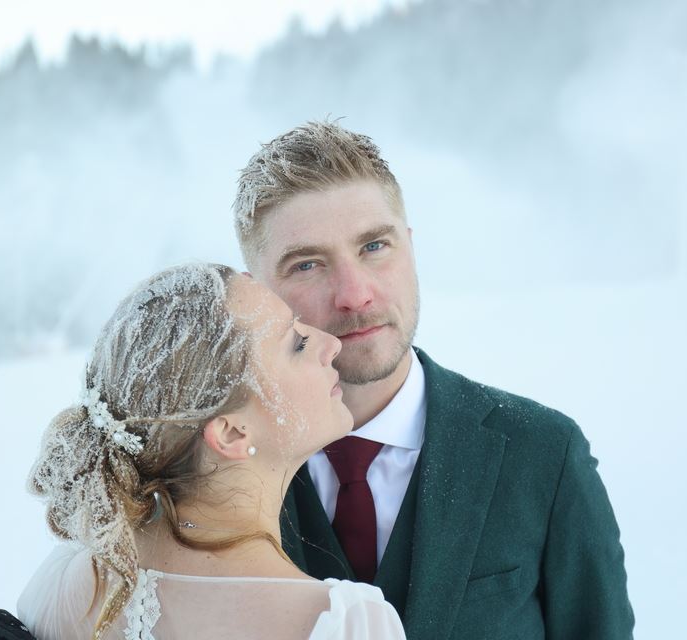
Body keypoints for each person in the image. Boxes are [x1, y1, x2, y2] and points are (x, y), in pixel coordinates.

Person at [233, 121, 635, 639]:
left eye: (375, 246)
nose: (355, 295)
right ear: (253, 296)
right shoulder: (218, 473)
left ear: (411, 247)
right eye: (308, 264)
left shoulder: (544, 455)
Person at [17, 264, 406, 640]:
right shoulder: (342, 623)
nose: (330, 344)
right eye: (297, 343)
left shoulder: (61, 585)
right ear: (232, 433)